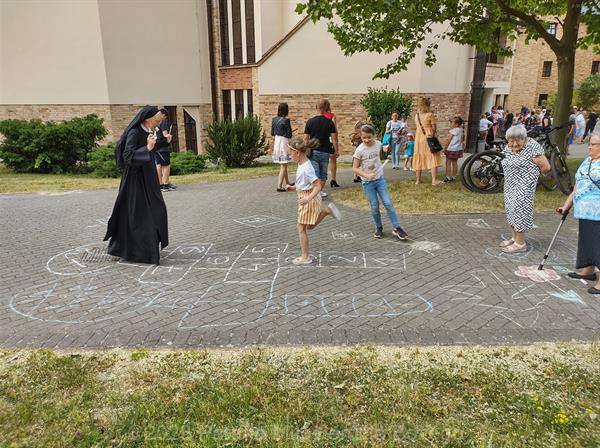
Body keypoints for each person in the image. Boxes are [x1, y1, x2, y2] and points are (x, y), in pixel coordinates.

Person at [104, 105, 169, 265]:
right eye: (156, 121)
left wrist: (162, 142)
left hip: (148, 178)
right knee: (141, 215)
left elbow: (151, 149)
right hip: (135, 181)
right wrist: (147, 148)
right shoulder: (134, 132)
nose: (158, 125)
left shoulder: (148, 131)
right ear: (147, 120)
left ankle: (144, 250)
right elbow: (128, 157)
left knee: (158, 210)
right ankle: (144, 253)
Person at [285, 137, 341, 264]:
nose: (289, 156)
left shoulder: (307, 168)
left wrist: (307, 198)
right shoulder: (302, 164)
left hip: (309, 199)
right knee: (309, 226)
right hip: (306, 197)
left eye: (290, 153)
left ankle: (305, 257)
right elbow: (304, 183)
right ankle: (326, 211)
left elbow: (318, 186)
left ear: (297, 153)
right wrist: (293, 187)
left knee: (301, 228)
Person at [557, 134, 600, 294]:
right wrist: (566, 206)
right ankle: (588, 270)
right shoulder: (587, 161)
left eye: (593, 144)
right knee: (588, 241)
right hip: (584, 211)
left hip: (598, 212)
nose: (589, 147)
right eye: (590, 144)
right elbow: (578, 187)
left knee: (598, 244)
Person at [499, 125, 551, 253]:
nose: (514, 144)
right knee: (511, 210)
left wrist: (530, 176)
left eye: (518, 140)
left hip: (524, 186)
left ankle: (520, 244)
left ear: (524, 138)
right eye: (511, 141)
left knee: (519, 211)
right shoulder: (509, 147)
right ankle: (514, 238)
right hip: (510, 184)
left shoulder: (533, 148)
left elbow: (546, 167)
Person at [352, 124, 408, 240]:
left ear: (374, 135)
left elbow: (383, 153)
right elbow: (355, 168)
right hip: (368, 183)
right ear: (361, 137)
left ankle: (396, 227)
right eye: (364, 138)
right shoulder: (359, 150)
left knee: (388, 203)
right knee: (374, 206)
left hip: (380, 179)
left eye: (369, 137)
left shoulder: (378, 144)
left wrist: (386, 149)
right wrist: (366, 175)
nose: (366, 140)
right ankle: (378, 227)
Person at [304, 99, 338, 197]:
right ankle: (318, 192)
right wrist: (336, 150)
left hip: (313, 151)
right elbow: (334, 138)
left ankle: (315, 192)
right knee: (323, 174)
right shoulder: (329, 122)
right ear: (326, 108)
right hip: (325, 151)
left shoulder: (310, 122)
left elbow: (306, 138)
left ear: (316, 108)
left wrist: (304, 150)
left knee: (315, 174)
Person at [413, 97, 443, 185]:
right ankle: (434, 180)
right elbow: (434, 128)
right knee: (433, 156)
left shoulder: (416, 115)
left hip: (418, 138)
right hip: (428, 137)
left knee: (418, 156)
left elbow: (417, 127)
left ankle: (418, 180)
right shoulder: (430, 115)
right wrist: (433, 135)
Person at [271, 102, 293, 192]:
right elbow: (289, 134)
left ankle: (287, 182)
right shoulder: (286, 120)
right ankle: (279, 186)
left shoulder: (274, 119)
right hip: (283, 142)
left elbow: (272, 133)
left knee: (284, 164)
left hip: (277, 141)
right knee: (283, 165)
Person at [320, 100, 341, 188]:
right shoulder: (332, 116)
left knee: (321, 161)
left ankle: (320, 181)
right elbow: (334, 130)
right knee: (333, 160)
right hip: (330, 139)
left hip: (321, 139)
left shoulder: (318, 116)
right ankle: (333, 179)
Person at [154, 108, 175, 192]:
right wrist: (169, 137)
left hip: (156, 145)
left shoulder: (155, 122)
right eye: (165, 116)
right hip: (163, 146)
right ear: (163, 115)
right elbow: (165, 134)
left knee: (159, 164)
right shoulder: (163, 122)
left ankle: (160, 184)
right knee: (166, 165)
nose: (165, 118)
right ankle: (165, 185)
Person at [443, 116, 464, 182]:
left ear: (456, 124)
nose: (451, 124)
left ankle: (448, 177)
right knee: (455, 162)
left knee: (448, 163)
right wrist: (450, 120)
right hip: (458, 149)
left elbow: (449, 140)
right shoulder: (461, 130)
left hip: (451, 149)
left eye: (452, 122)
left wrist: (445, 148)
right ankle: (453, 177)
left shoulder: (453, 131)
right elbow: (462, 139)